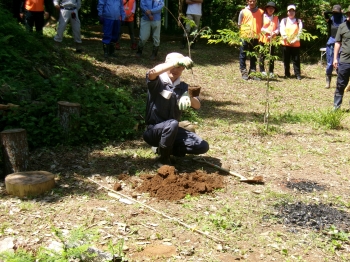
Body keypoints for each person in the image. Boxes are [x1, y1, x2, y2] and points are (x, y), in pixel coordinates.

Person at [143, 52, 209, 166]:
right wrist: (174, 63)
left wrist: (189, 96)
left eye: (180, 67)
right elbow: (151, 73)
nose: (176, 70)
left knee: (202, 146)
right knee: (172, 124)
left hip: (173, 131)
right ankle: (163, 159)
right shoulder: (157, 82)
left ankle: (164, 149)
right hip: (153, 131)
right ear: (167, 65)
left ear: (183, 68)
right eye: (173, 66)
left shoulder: (183, 87)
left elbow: (197, 105)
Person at [238, 0, 264, 80]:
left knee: (254, 55)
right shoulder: (243, 12)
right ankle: (243, 71)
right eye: (250, 1)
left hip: (255, 37)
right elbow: (239, 24)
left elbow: (262, 24)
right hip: (244, 36)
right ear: (247, 1)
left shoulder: (261, 12)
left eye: (253, 1)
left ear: (256, 1)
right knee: (243, 54)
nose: (252, 2)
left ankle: (252, 72)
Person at [324, 5, 346, 88]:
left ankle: (339, 82)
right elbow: (326, 14)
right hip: (332, 42)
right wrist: (331, 12)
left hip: (341, 43)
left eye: (337, 12)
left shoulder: (344, 19)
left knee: (340, 63)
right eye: (334, 12)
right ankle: (328, 81)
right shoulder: (332, 19)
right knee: (330, 63)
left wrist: (342, 13)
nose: (335, 13)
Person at [333, 6, 350, 110]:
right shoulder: (342, 26)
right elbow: (337, 43)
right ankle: (336, 107)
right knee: (340, 85)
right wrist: (335, 58)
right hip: (344, 61)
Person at [280, 4, 303, 80]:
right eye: (290, 11)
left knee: (296, 60)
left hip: (295, 44)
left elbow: (300, 32)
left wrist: (294, 40)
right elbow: (282, 30)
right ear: (287, 12)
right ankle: (287, 74)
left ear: (295, 12)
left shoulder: (299, 21)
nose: (291, 12)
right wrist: (287, 39)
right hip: (286, 43)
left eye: (293, 11)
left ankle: (297, 74)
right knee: (286, 59)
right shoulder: (284, 20)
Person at [259, 1, 279, 78]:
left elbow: (278, 28)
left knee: (271, 55)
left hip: (272, 39)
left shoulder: (276, 18)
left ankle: (271, 71)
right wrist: (268, 32)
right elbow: (260, 27)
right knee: (262, 55)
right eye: (269, 8)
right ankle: (262, 70)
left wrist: (274, 33)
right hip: (263, 38)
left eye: (272, 8)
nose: (271, 10)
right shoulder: (262, 16)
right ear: (266, 9)